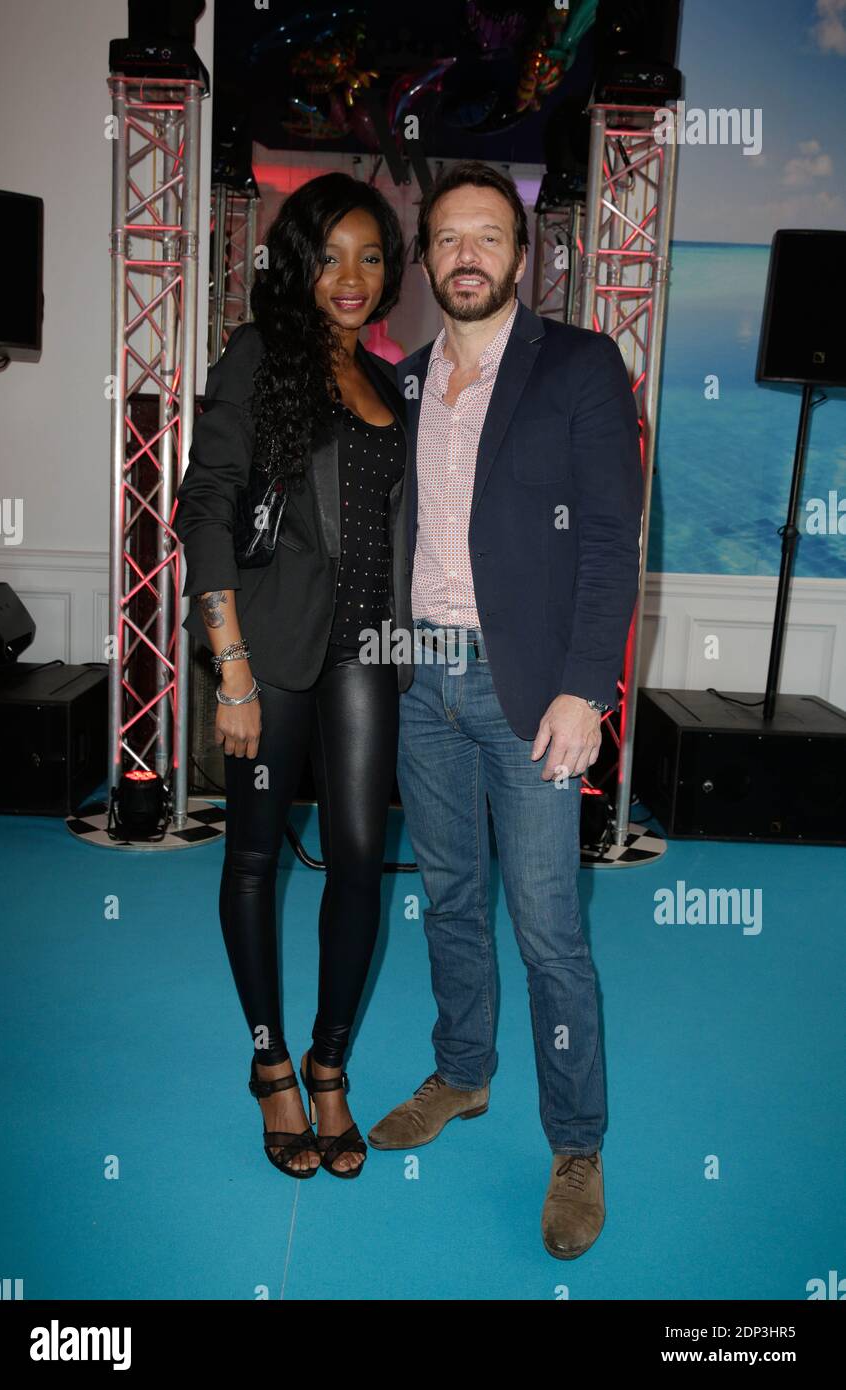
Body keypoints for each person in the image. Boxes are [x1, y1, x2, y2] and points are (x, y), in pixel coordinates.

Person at [367, 161, 643, 1257]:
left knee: (546, 928)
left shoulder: (577, 365)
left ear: (520, 257)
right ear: (425, 260)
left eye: (488, 235)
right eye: (447, 238)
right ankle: (461, 1072)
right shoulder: (395, 382)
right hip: (416, 680)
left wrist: (588, 689)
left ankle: (575, 1142)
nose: (467, 254)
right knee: (444, 896)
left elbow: (612, 544)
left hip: (529, 691)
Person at [174, 172, 413, 1180]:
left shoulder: (389, 381)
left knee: (359, 857)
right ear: (299, 264)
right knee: (257, 857)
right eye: (330, 257)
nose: (350, 277)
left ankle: (329, 1060)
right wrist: (227, 665)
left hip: (364, 647)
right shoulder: (257, 356)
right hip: (266, 651)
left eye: (368, 257)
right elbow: (207, 505)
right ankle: (270, 1063)